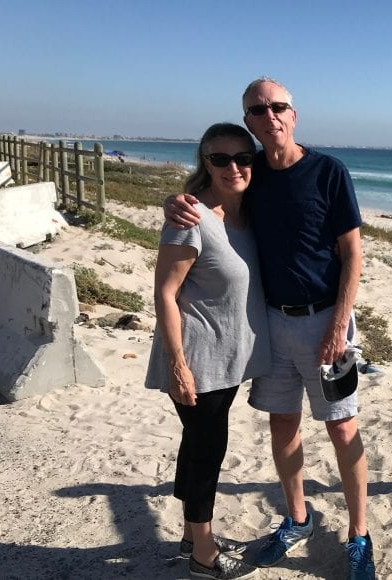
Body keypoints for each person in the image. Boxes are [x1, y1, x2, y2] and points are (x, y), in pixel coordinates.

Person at [165, 77, 375, 579]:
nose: (270, 116)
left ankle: (359, 534)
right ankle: (297, 518)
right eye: (258, 111)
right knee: (282, 424)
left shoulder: (328, 171)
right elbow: (209, 193)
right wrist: (174, 201)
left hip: (328, 319)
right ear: (249, 122)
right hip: (272, 323)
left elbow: (352, 253)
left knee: (342, 427)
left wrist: (339, 323)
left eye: (278, 107)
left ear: (294, 114)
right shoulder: (251, 172)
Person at [145, 123, 270, 580]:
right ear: (205, 161)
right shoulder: (190, 217)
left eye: (244, 157)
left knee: (197, 444)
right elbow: (164, 294)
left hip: (230, 358)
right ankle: (203, 551)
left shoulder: (246, 212)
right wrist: (178, 366)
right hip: (197, 360)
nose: (234, 166)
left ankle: (187, 532)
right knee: (208, 450)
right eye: (221, 159)